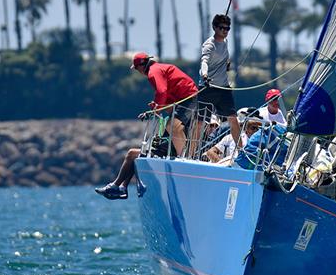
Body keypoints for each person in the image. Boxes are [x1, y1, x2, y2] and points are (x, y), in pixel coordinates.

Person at [95, 53, 198, 200]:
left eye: (137, 69)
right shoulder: (160, 69)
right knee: (132, 154)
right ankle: (121, 187)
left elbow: (162, 91)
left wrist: (154, 110)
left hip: (188, 99)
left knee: (170, 128)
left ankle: (118, 186)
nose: (138, 72)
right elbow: (166, 96)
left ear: (142, 66)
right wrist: (156, 108)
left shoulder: (153, 72)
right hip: (186, 99)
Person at [198, 14, 241, 146]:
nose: (225, 31)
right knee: (200, 122)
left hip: (223, 88)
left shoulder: (225, 42)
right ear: (214, 27)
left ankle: (242, 151)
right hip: (208, 87)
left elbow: (222, 58)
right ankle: (191, 151)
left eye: (227, 28)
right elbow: (204, 61)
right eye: (222, 28)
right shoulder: (209, 45)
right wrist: (204, 75)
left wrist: (226, 63)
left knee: (233, 119)